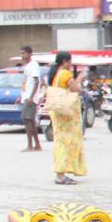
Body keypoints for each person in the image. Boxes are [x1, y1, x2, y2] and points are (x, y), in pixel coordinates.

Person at [47, 51, 86, 186]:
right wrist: (80, 78)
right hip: (66, 113)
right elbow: (76, 89)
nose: (71, 64)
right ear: (65, 62)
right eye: (70, 61)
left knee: (60, 141)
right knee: (65, 143)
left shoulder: (55, 74)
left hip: (58, 112)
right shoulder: (65, 74)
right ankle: (60, 175)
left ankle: (61, 173)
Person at [19, 44, 42, 153]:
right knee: (30, 120)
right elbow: (26, 83)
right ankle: (36, 145)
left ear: (29, 53)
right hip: (26, 96)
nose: (22, 56)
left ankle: (30, 145)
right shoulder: (27, 67)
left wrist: (31, 97)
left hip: (30, 98)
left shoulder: (33, 65)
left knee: (27, 120)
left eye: (24, 53)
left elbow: (36, 81)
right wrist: (21, 96)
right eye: (21, 53)